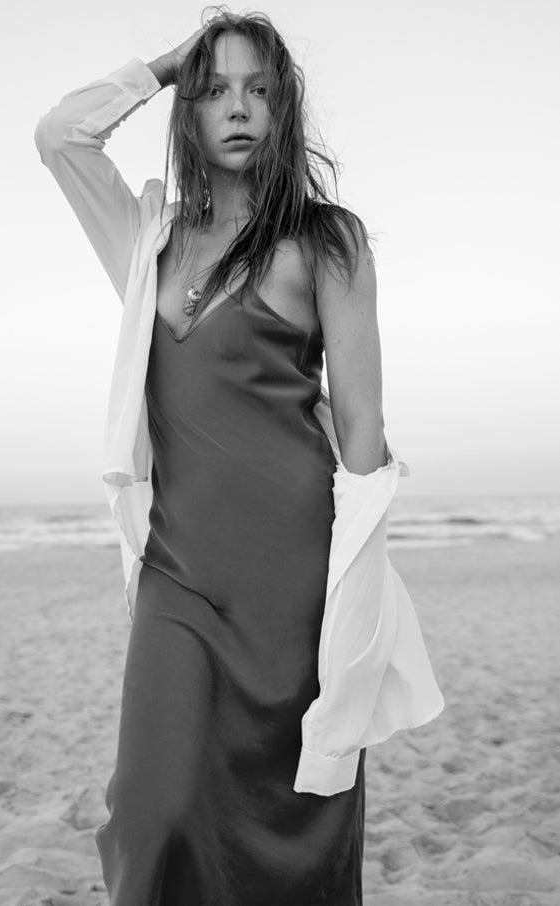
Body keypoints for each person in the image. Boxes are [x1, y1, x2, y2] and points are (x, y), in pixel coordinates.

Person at [34, 8, 444, 904]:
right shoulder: (149, 241)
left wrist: (350, 597)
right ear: (188, 107)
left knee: (290, 806)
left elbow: (364, 432)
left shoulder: (326, 241)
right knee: (151, 811)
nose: (237, 107)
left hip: (289, 578)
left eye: (258, 89)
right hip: (177, 570)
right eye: (214, 89)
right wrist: (163, 66)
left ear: (282, 108)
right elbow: (61, 136)